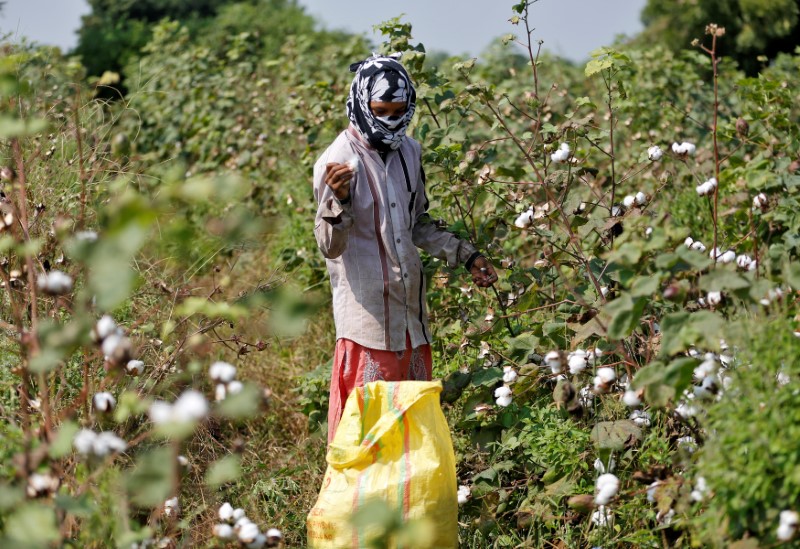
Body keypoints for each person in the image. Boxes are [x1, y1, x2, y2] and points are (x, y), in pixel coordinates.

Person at [313, 54, 497, 442]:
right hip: (368, 328)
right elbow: (330, 246)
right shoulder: (337, 162)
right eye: (381, 110)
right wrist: (339, 200)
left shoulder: (409, 152)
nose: (391, 120)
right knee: (367, 439)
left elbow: (418, 225)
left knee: (409, 439)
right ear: (362, 103)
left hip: (411, 324)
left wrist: (467, 256)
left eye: (400, 110)